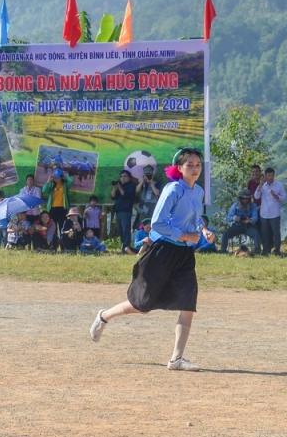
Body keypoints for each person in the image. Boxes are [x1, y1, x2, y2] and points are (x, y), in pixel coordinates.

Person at [90, 148, 215, 372]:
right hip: (162, 252)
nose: (195, 168)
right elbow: (157, 223)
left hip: (184, 255)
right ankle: (104, 316)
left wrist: (203, 231)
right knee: (143, 306)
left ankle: (176, 359)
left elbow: (194, 220)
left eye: (198, 164)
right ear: (179, 168)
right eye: (190, 165)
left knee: (188, 305)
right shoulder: (172, 189)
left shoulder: (198, 192)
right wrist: (185, 235)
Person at [253, 167, 287, 256]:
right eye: (269, 176)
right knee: (264, 233)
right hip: (264, 214)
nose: (271, 177)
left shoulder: (279, 185)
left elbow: (284, 197)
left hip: (275, 213)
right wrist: (260, 185)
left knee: (276, 233)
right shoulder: (262, 185)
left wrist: (276, 196)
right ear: (265, 176)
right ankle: (265, 250)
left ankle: (277, 251)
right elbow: (256, 196)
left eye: (272, 175)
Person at [110, 169, 137, 253]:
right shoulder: (119, 186)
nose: (123, 178)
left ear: (129, 177)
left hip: (126, 212)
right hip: (118, 212)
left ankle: (126, 248)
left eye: (125, 176)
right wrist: (115, 188)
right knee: (120, 230)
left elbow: (126, 195)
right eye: (121, 176)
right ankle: (123, 246)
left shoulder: (131, 186)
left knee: (126, 230)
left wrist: (120, 187)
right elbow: (113, 197)